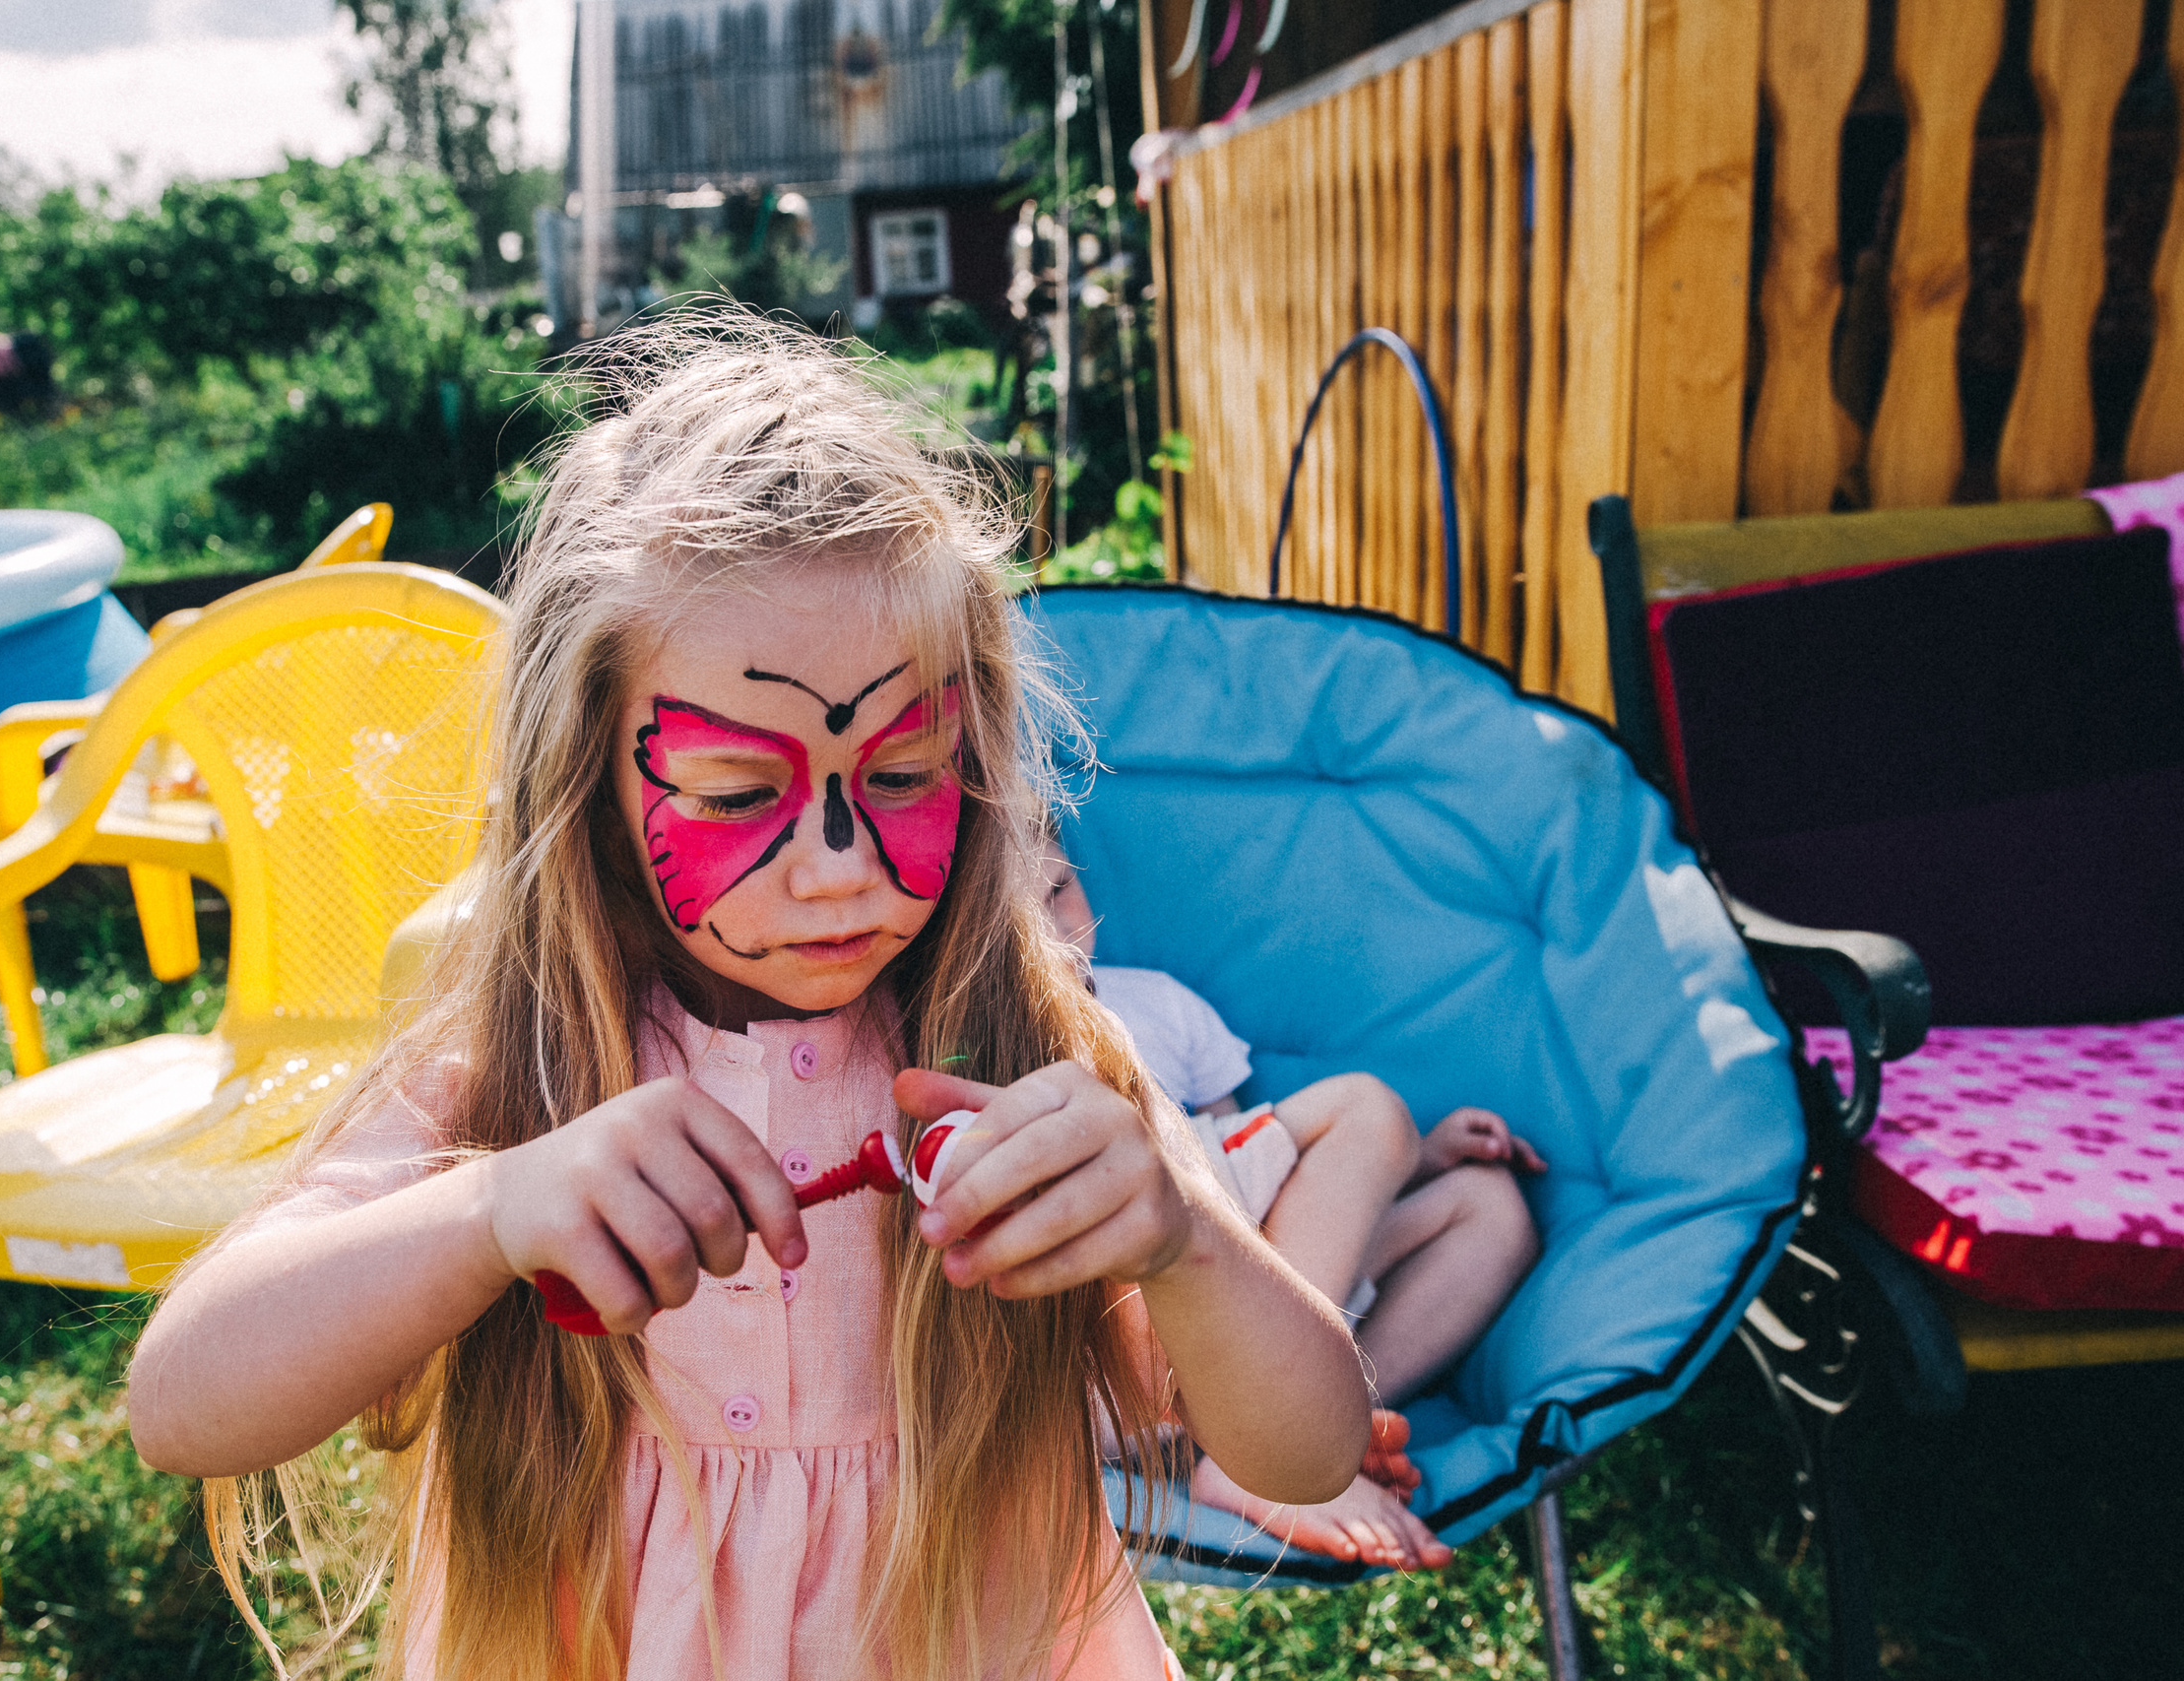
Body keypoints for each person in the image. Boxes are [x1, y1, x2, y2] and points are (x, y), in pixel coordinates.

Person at [126, 314, 1370, 1681]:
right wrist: (488, 1213)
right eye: (734, 792)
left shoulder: (1038, 1062)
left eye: (902, 775)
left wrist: (1182, 1233)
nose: (838, 868)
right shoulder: (510, 1079)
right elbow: (185, 1400)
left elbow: (1306, 1453)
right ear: (588, 786)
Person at [1044, 845, 1544, 1572]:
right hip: (1108, 1352)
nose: (1051, 931)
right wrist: (1374, 1130)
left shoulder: (1157, 1001)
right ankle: (1263, 1452)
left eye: (1059, 889)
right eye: (1013, 916)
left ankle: (1306, 1439)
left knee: (1491, 1210)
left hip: (1216, 1312)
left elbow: (1268, 1182)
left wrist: (1414, 1156)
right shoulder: (984, 1037)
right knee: (1366, 1105)